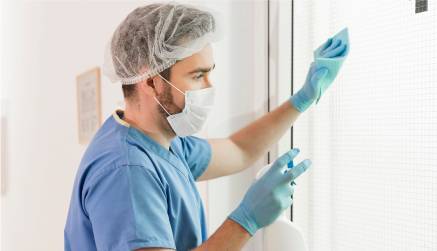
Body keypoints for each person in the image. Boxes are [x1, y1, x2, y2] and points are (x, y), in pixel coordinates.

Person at [64, 2, 348, 251]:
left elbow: (239, 150)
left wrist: (303, 99)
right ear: (151, 81)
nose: (210, 87)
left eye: (210, 73)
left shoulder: (163, 140)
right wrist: (246, 220)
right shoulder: (127, 171)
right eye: (198, 76)